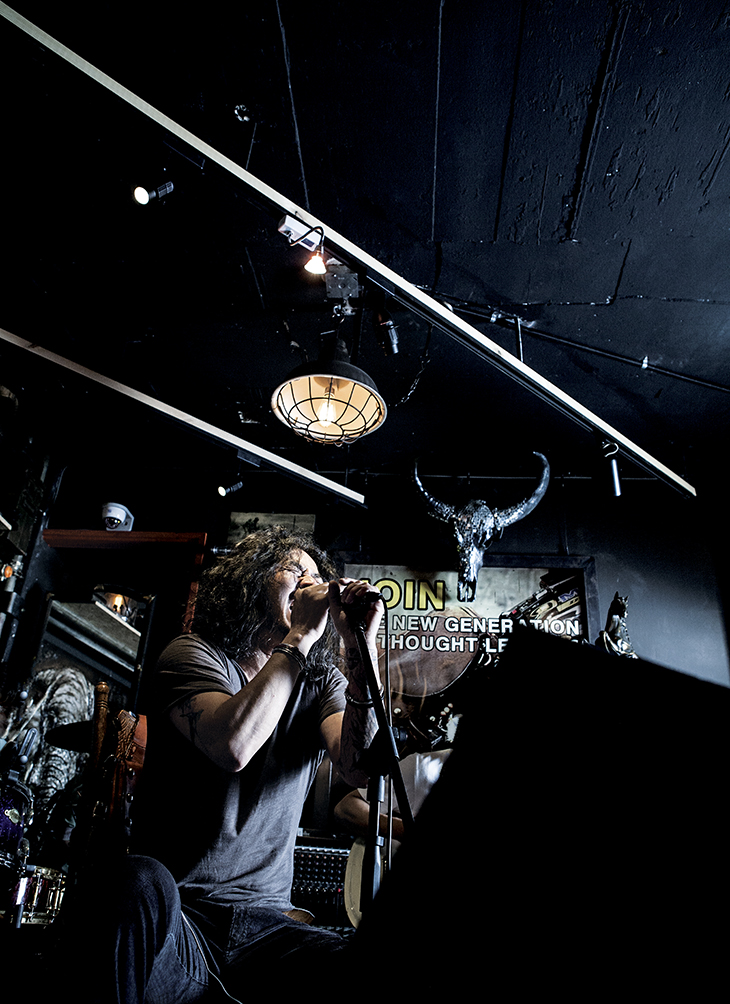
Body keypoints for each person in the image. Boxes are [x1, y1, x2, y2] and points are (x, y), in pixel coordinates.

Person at [63, 525, 384, 1004]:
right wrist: (300, 634)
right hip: (183, 922)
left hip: (267, 930)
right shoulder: (192, 655)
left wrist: (362, 650)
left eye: (317, 577)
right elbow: (233, 744)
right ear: (252, 580)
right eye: (294, 569)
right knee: (136, 879)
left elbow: (360, 768)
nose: (309, 583)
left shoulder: (321, 683)